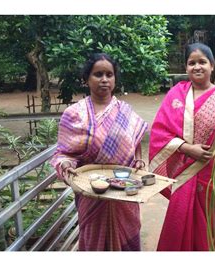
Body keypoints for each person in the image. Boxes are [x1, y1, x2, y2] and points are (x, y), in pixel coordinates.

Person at [148, 43, 215, 251]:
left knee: (212, 230)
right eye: (191, 63)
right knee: (180, 229)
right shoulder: (177, 94)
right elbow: (160, 132)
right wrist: (187, 148)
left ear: (212, 65)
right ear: (186, 68)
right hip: (185, 173)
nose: (197, 67)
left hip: (214, 175)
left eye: (202, 62)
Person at [50, 53, 148, 251]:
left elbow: (134, 141)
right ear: (86, 79)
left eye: (109, 74)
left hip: (124, 192)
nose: (104, 79)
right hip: (92, 193)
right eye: (98, 74)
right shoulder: (74, 114)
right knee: (95, 242)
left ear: (115, 79)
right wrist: (66, 165)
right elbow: (63, 153)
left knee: (127, 241)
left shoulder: (125, 111)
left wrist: (138, 161)